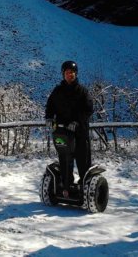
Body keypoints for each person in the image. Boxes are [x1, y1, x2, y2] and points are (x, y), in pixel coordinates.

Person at [45, 60, 94, 197]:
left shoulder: (82, 91)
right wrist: (49, 117)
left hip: (79, 132)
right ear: (63, 74)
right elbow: (50, 106)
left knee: (82, 160)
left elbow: (88, 110)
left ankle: (85, 188)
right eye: (67, 73)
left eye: (72, 72)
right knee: (65, 159)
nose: (69, 75)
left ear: (76, 74)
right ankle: (66, 184)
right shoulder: (58, 91)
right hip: (63, 131)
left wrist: (77, 122)